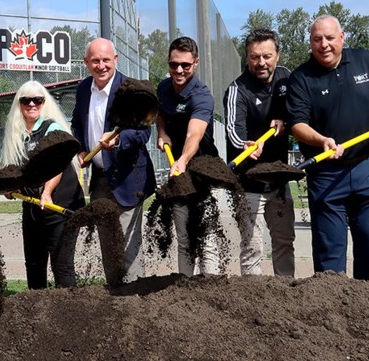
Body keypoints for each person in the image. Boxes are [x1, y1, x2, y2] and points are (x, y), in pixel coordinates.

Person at [285, 15, 369, 282]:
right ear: (310, 42)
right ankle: (330, 317)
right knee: (330, 256)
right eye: (317, 39)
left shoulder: (366, 60)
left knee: (368, 241)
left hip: (366, 168)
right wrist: (322, 141)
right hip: (326, 176)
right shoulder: (301, 79)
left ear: (342, 37)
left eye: (330, 38)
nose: (324, 45)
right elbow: (297, 125)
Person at [71, 38, 155, 284]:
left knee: (128, 246)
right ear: (86, 63)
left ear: (115, 60)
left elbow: (144, 132)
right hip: (99, 180)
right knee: (108, 242)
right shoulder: (83, 88)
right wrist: (80, 149)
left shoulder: (131, 89)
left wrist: (118, 141)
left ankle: (133, 297)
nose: (101, 65)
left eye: (106, 60)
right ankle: (116, 294)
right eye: (95, 60)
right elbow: (77, 124)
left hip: (129, 179)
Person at [222, 29, 295, 277]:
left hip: (280, 181)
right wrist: (246, 144)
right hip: (249, 184)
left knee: (284, 243)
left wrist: (287, 119)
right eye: (254, 57)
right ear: (247, 57)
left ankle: (286, 293)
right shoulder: (237, 90)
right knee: (252, 248)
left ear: (277, 55)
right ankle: (253, 300)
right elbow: (233, 131)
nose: (261, 63)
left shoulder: (287, 79)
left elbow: (301, 111)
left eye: (267, 56)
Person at [0, 80, 85, 289]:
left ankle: (70, 311)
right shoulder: (16, 134)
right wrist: (12, 188)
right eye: (26, 100)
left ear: (43, 102)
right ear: (19, 104)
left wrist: (47, 192)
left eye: (37, 100)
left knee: (61, 264)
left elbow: (58, 165)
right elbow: (16, 170)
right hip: (32, 206)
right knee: (34, 263)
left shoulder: (52, 127)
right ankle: (36, 311)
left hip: (60, 206)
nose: (31, 104)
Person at [154, 36, 223, 276]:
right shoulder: (163, 88)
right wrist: (162, 132)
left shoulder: (202, 96)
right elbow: (160, 114)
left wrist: (182, 160)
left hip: (201, 171)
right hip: (178, 173)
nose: (179, 70)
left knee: (206, 236)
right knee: (183, 237)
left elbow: (194, 133)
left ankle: (209, 287)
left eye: (185, 65)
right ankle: (186, 288)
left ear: (196, 63)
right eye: (174, 64)